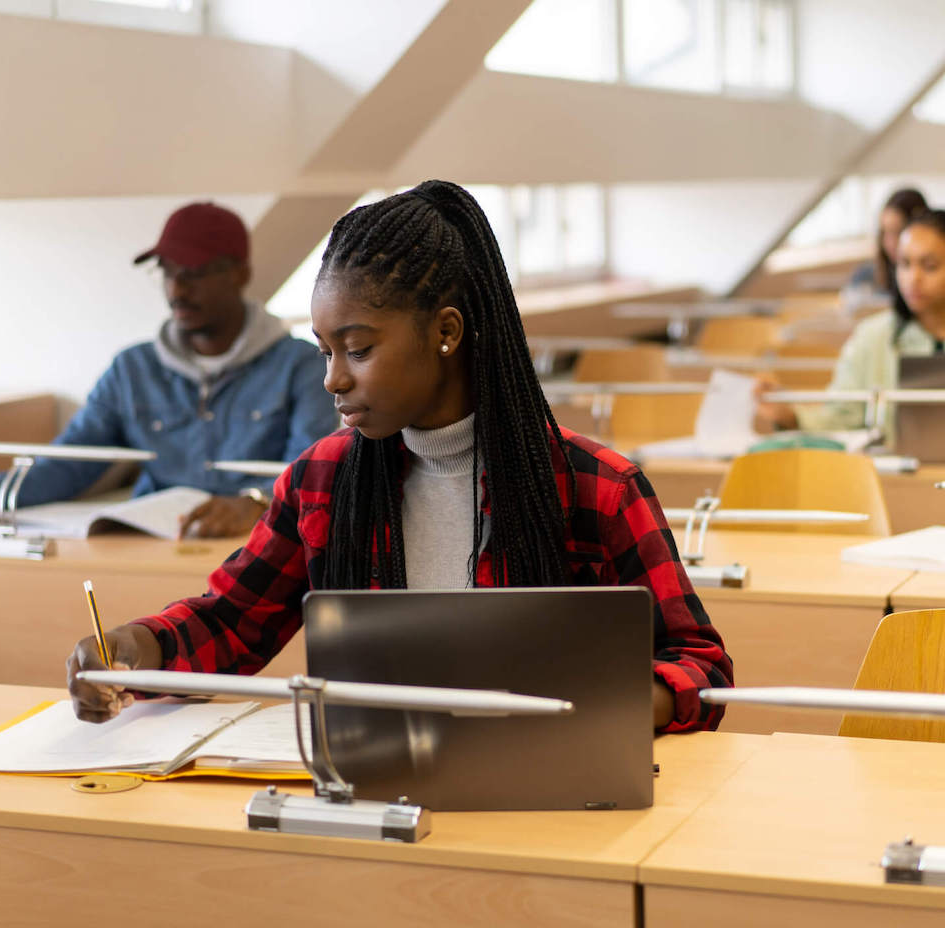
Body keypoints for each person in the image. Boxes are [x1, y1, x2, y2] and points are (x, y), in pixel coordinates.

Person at [66, 180, 733, 732]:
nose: (332, 378)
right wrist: (133, 648)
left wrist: (603, 712)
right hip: (376, 800)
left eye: (357, 348)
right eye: (325, 351)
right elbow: (231, 622)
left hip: (547, 803)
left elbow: (700, 666)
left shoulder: (599, 489)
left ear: (445, 331)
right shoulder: (320, 482)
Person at [0, 202, 336, 539]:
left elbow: (308, 474)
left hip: (256, 550)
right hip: (151, 545)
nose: (176, 290)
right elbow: (72, 459)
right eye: (167, 272)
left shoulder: (301, 365)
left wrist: (254, 503)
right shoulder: (132, 369)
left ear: (240, 274)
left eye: (193, 274)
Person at [758, 209, 945, 436]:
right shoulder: (871, 337)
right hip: (889, 487)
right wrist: (790, 414)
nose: (913, 278)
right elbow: (839, 419)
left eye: (930, 266)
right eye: (905, 264)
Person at [845, 187, 929, 305]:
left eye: (898, 232)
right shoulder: (865, 276)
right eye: (885, 232)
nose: (890, 243)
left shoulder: (927, 283)